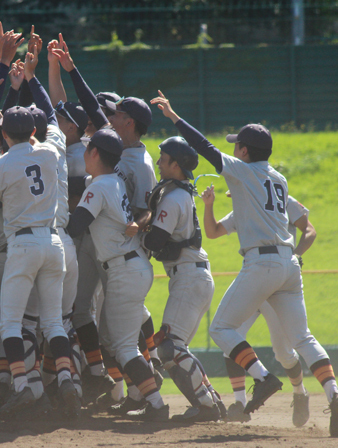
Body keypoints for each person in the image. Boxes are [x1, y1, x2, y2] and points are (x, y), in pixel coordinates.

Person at [152, 90, 338, 436]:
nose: (234, 148)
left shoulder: (243, 170)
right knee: (303, 337)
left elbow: (205, 148)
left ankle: (263, 379)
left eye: (238, 144)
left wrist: (175, 117)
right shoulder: (279, 179)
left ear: (245, 151)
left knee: (222, 328)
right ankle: (334, 393)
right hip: (288, 263)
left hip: (262, 264)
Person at [0, 105, 80, 416]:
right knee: (53, 323)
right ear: (34, 132)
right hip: (53, 242)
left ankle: (23, 385)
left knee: (10, 323)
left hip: (22, 244)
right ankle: (65, 379)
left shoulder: (0, 165)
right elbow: (35, 144)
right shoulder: (50, 153)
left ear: (4, 135)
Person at [65, 129, 168, 421]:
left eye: (88, 149)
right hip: (130, 265)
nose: (84, 153)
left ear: (95, 154)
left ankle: (157, 404)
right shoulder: (110, 181)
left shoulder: (99, 187)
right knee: (111, 339)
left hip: (124, 268)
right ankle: (140, 393)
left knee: (122, 346)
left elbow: (76, 226)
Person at [202, 186, 317, 426]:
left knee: (284, 354)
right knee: (229, 338)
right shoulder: (241, 211)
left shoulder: (282, 200)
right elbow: (212, 232)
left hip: (279, 286)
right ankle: (240, 404)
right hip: (253, 281)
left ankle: (299, 393)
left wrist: (294, 255)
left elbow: (309, 230)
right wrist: (209, 205)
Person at [141, 137, 224, 421]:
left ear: (176, 165)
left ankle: (207, 406)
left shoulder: (174, 196)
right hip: (193, 276)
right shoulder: (181, 193)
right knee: (174, 347)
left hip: (189, 277)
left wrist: (140, 223)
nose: (159, 162)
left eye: (163, 159)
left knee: (168, 346)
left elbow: (154, 240)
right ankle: (211, 400)